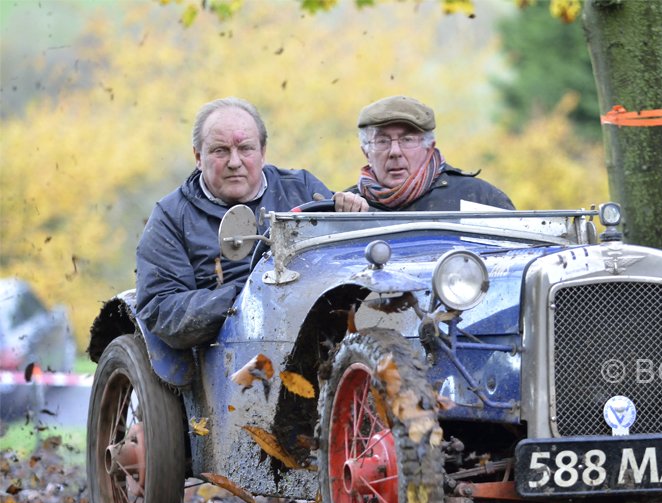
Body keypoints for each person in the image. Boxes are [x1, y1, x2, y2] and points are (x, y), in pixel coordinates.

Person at [135, 97, 367, 350]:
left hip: (314, 337)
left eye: (245, 148)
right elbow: (161, 309)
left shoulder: (303, 189)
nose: (234, 162)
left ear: (263, 152)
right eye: (220, 150)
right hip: (223, 353)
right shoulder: (171, 217)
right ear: (198, 156)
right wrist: (248, 295)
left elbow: (352, 268)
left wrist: (353, 216)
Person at [348, 95, 514, 211]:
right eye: (382, 141)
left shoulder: (480, 199)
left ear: (429, 147)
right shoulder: (345, 209)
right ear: (366, 152)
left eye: (407, 140)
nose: (395, 152)